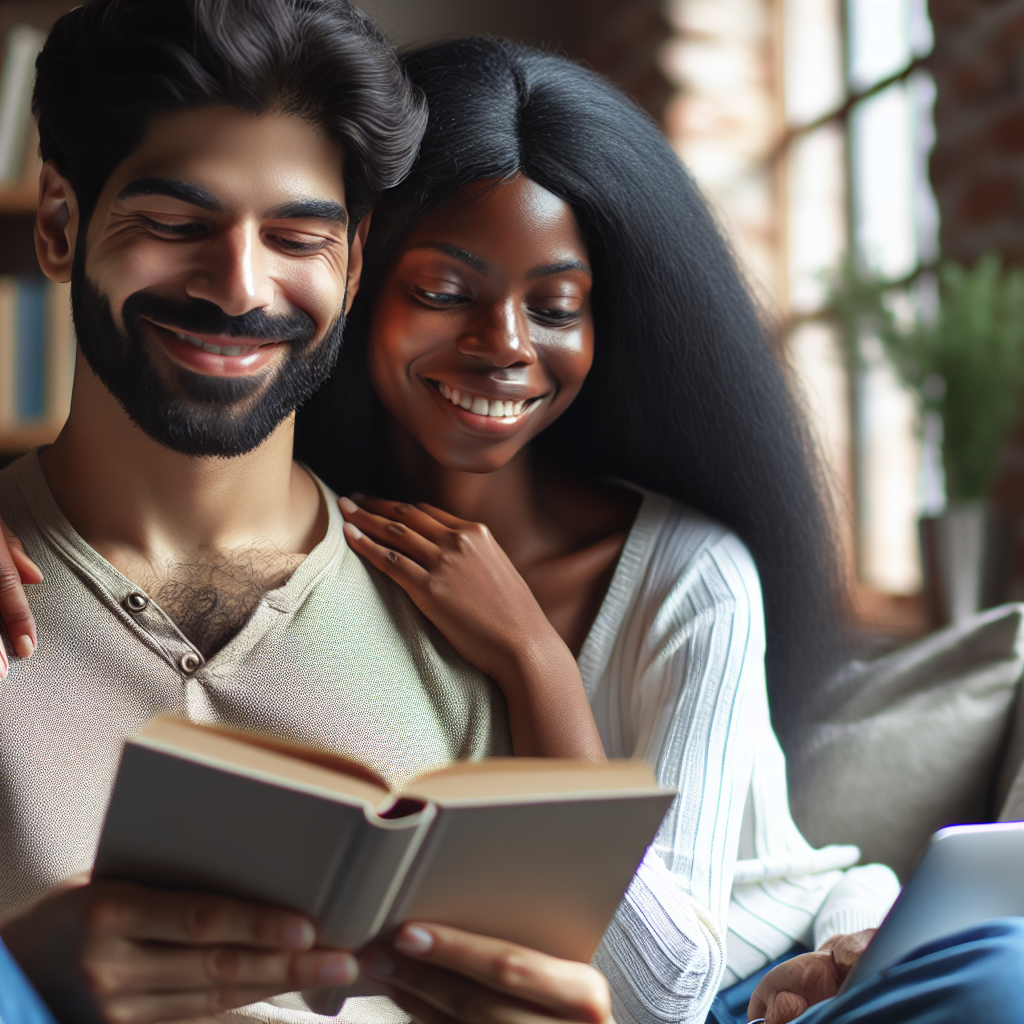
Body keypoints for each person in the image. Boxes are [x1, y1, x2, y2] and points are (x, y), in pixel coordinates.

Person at [2, 27, 1023, 1024]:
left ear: (347, 261)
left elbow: (656, 985)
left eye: (296, 237)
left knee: (1001, 978)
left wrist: (537, 660)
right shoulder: (373, 554)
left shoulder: (566, 608)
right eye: (174, 222)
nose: (240, 286)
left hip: (748, 974)